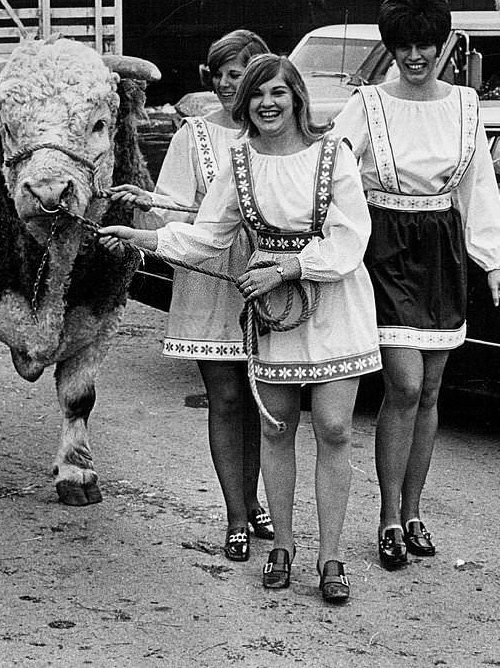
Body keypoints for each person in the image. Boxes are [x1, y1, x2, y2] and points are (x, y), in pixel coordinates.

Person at [100, 54, 381, 604]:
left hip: (334, 304)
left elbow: (351, 238)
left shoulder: (334, 156)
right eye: (257, 95)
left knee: (333, 429)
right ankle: (282, 547)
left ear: (298, 97)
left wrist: (289, 267)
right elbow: (208, 237)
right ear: (246, 105)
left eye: (278, 92)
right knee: (276, 429)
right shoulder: (239, 162)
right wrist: (143, 240)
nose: (267, 103)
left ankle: (332, 557)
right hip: (273, 312)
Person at [331, 0, 500, 572]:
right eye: (403, 46)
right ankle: (385, 517)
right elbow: (330, 172)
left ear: (444, 45)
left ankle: (412, 511)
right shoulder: (367, 106)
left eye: (425, 46)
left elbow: (476, 185)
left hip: (441, 253)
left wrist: (492, 262)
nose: (414, 57)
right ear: (389, 49)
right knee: (403, 385)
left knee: (431, 390)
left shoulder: (465, 104)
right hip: (383, 251)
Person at [107, 30, 275, 562]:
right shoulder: (194, 136)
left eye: (240, 71)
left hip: (270, 281)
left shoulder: (277, 133)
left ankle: (258, 501)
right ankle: (236, 516)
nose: (230, 83)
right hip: (209, 280)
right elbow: (175, 209)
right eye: (221, 72)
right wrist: (149, 205)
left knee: (264, 401)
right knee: (226, 398)